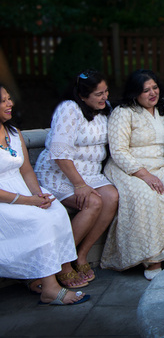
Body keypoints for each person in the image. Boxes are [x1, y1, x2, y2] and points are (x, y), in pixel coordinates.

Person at [0, 84, 90, 305]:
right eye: (3, 101)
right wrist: (28, 201)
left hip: (22, 190)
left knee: (55, 211)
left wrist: (38, 195)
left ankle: (39, 277)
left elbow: (26, 169)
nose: (10, 104)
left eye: (9, 98)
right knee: (39, 220)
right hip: (4, 199)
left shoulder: (13, 133)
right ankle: (50, 289)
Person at [101, 70, 164, 279]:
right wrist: (144, 175)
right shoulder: (123, 112)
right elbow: (118, 151)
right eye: (145, 90)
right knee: (147, 197)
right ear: (135, 94)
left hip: (163, 164)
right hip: (130, 167)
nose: (152, 94)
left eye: (154, 88)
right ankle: (152, 260)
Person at [35, 70, 119, 286]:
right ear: (82, 96)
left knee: (111, 196)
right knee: (92, 202)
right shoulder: (69, 109)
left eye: (106, 91)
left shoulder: (104, 109)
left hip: (90, 173)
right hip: (60, 173)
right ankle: (62, 263)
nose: (105, 97)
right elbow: (59, 153)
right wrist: (79, 184)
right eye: (98, 94)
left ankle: (81, 255)